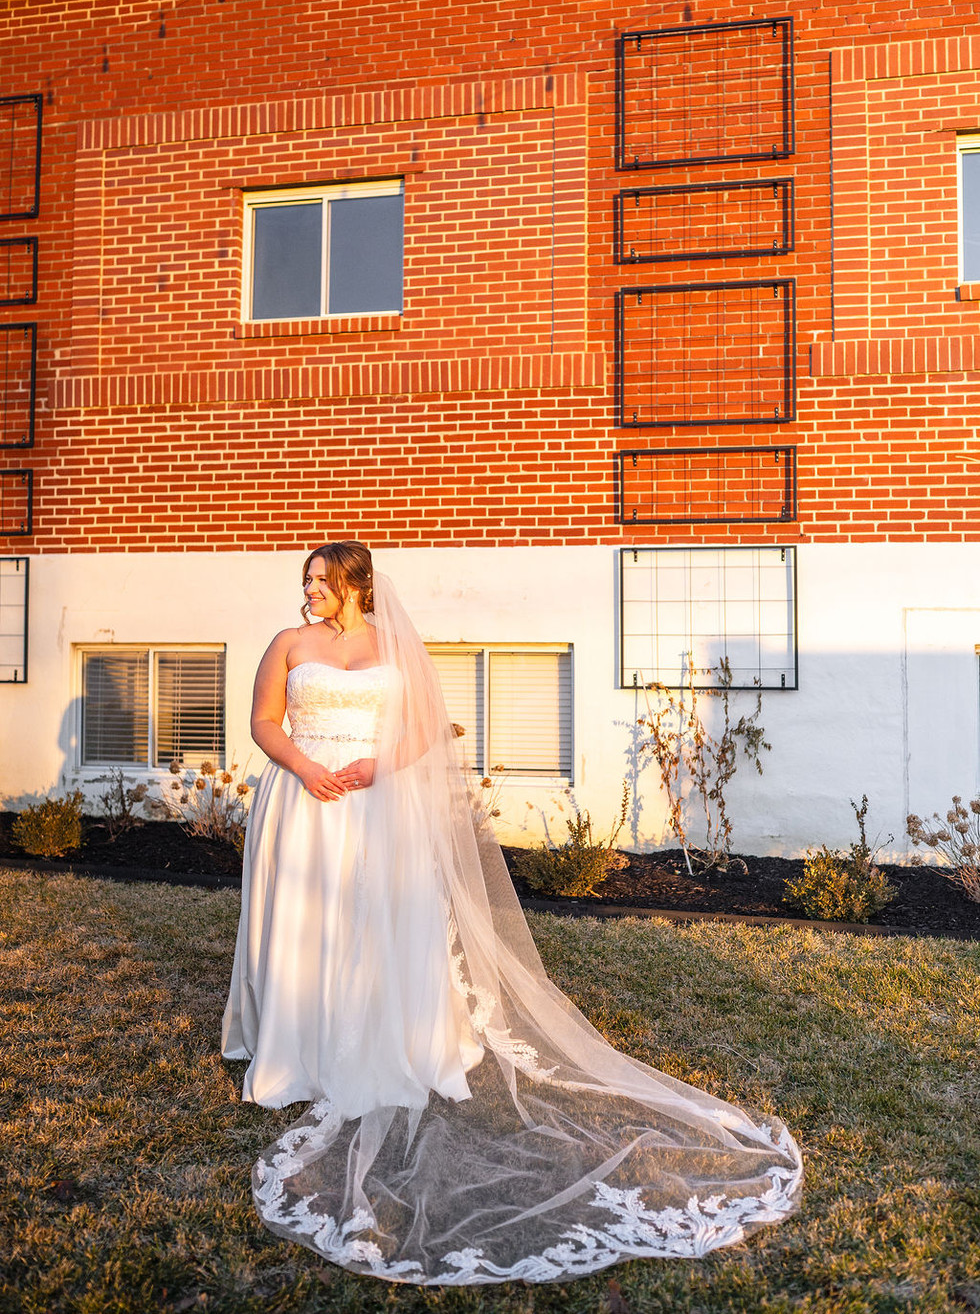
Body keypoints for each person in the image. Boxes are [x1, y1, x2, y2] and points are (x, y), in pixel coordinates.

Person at [222, 541, 803, 1286]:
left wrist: (374, 766)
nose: (309, 592)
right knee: (305, 926)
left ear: (356, 586)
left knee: (378, 924)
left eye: (321, 582)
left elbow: (427, 729)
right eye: (305, 581)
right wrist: (305, 767)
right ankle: (298, 1047)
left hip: (375, 804)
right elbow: (263, 721)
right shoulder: (288, 642)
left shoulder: (393, 643)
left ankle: (387, 1038)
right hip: (304, 801)